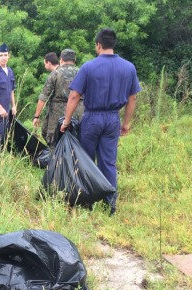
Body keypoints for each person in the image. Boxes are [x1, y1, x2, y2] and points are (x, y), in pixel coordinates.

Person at [61, 28, 141, 214]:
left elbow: (74, 96)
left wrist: (66, 121)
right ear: (113, 45)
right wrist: (126, 123)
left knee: (86, 159)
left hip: (92, 117)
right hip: (113, 118)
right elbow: (132, 98)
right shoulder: (129, 68)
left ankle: (87, 202)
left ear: (98, 45)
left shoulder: (89, 67)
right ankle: (110, 204)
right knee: (108, 162)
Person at [33, 49, 84, 147]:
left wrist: (36, 116)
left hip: (57, 115)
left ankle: (57, 161)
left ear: (61, 59)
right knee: (77, 143)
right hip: (79, 113)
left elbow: (43, 97)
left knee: (55, 143)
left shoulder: (55, 74)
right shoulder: (81, 72)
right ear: (74, 59)